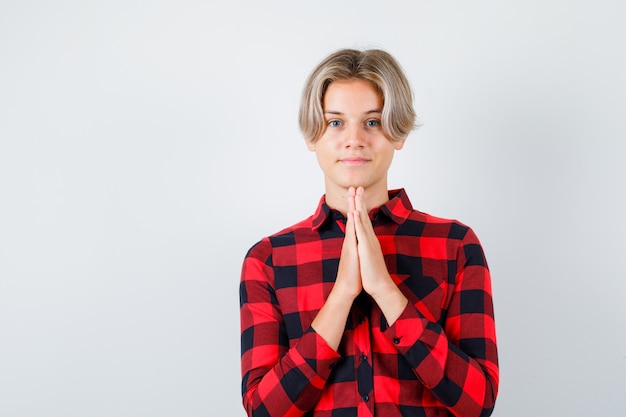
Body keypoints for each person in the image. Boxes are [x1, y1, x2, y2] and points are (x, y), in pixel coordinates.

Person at [239, 48, 499, 417]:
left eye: (373, 122)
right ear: (312, 136)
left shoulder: (456, 246)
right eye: (335, 122)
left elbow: (478, 402)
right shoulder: (269, 260)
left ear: (398, 132)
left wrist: (386, 291)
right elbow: (264, 411)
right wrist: (342, 295)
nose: (355, 139)